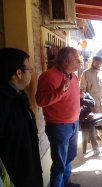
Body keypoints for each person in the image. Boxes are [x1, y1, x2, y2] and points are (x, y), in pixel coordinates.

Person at [36, 47, 81, 187]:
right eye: (76, 59)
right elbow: (40, 101)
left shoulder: (73, 76)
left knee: (70, 156)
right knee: (59, 163)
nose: (79, 61)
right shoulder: (48, 76)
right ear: (66, 61)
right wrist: (60, 91)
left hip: (74, 123)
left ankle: (66, 182)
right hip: (59, 126)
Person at [0, 48, 43, 187]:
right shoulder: (3, 103)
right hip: (16, 177)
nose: (32, 74)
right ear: (19, 73)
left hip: (28, 169)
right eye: (30, 70)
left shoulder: (19, 95)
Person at [80, 56, 102, 151]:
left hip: (101, 102)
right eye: (96, 62)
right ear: (92, 62)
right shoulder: (86, 73)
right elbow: (82, 89)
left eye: (99, 62)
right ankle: (95, 145)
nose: (98, 64)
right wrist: (85, 103)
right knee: (92, 123)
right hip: (91, 103)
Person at [79, 90, 102, 155]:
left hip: (91, 117)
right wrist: (80, 99)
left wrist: (83, 99)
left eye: (81, 91)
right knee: (91, 126)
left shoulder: (86, 94)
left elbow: (93, 103)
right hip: (82, 120)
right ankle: (95, 148)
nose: (81, 92)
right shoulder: (75, 97)